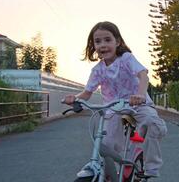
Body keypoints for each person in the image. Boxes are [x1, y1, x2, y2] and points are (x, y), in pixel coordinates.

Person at [63, 21, 167, 179]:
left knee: (152, 123)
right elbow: (87, 93)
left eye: (107, 40)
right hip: (114, 109)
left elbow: (143, 75)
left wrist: (139, 94)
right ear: (93, 45)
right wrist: (74, 98)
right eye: (97, 41)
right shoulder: (97, 70)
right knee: (106, 145)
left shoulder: (126, 59)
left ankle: (149, 167)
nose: (102, 45)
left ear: (117, 42)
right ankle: (113, 172)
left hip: (137, 105)